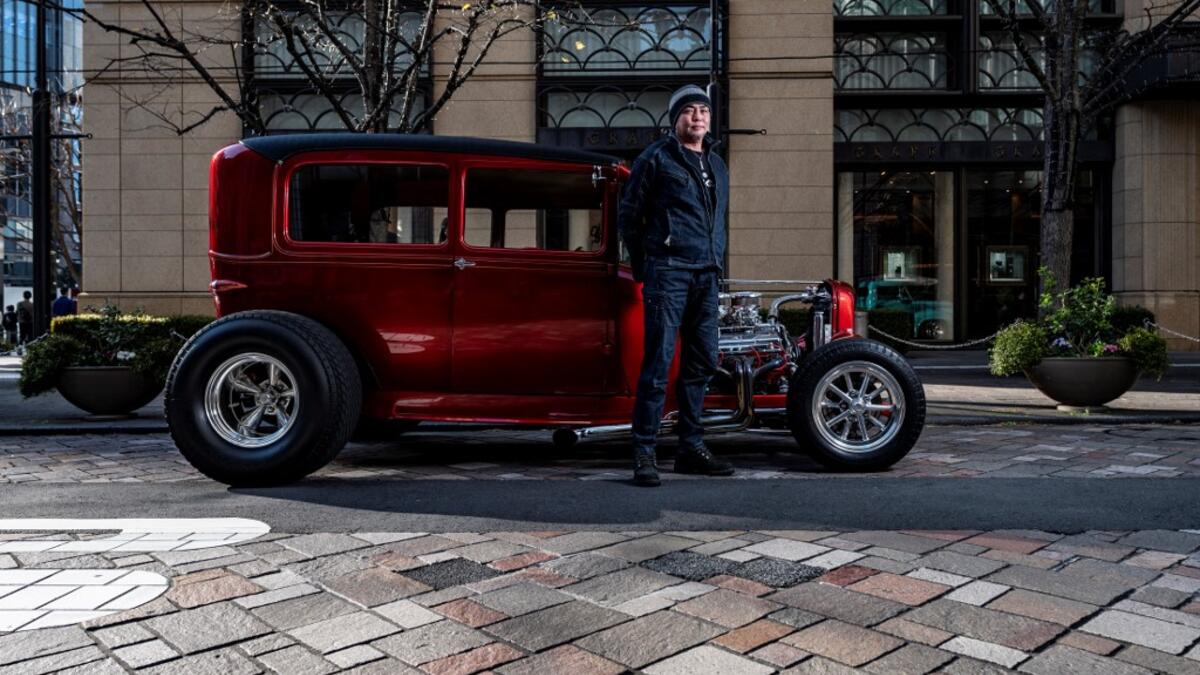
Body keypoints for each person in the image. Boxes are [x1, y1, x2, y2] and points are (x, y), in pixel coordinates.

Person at [617, 84, 734, 487]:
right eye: (689, 111)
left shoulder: (718, 165)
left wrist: (717, 262)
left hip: (707, 273)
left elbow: (718, 222)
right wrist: (645, 267)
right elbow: (629, 217)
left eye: (703, 110)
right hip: (669, 272)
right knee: (658, 364)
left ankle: (691, 449)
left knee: (702, 360)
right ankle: (644, 454)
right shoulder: (656, 158)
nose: (698, 117)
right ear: (675, 119)